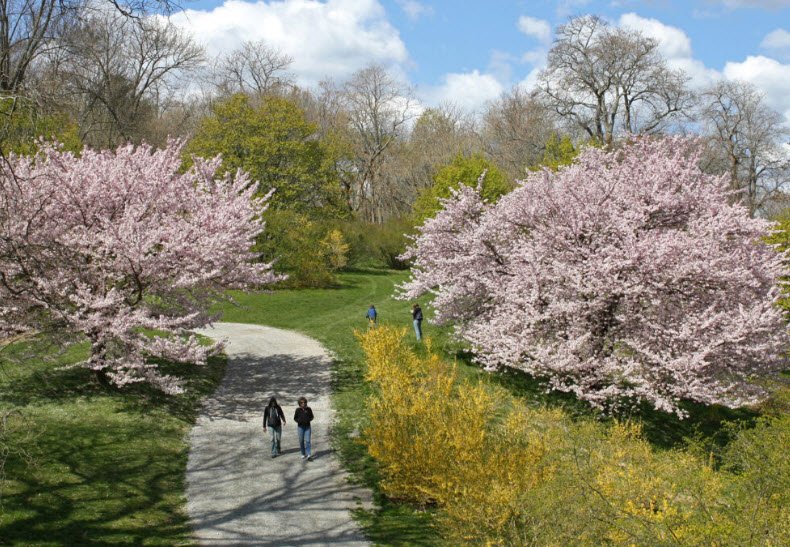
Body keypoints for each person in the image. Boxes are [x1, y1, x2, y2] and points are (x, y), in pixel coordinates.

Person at [294, 396, 314, 461]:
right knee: (301, 441)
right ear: (299, 404)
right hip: (300, 427)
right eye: (302, 403)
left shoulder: (309, 409)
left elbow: (312, 417)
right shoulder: (297, 410)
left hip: (307, 427)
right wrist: (299, 421)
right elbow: (295, 418)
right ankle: (303, 453)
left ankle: (308, 455)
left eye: (304, 402)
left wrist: (308, 420)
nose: (303, 404)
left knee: (308, 441)